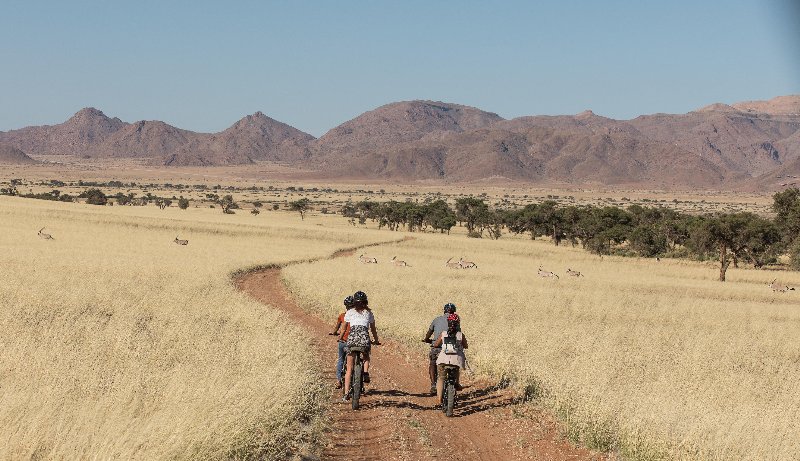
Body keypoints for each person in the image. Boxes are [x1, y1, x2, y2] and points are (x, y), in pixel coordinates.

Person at [340, 290, 380, 401]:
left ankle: (346, 393)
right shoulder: (369, 313)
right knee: (366, 354)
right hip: (364, 338)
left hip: (352, 338)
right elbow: (373, 330)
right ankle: (366, 372)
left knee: (349, 368)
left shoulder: (350, 312)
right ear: (365, 302)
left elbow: (344, 328)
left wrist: (340, 338)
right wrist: (376, 340)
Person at [432, 313, 468, 404]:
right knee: (456, 371)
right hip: (456, 361)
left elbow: (436, 344)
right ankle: (457, 383)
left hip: (443, 360)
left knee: (441, 378)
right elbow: (466, 346)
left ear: (448, 323)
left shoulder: (443, 334)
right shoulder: (460, 335)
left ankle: (439, 399)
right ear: (458, 324)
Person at [422, 302, 457, 394]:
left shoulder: (436, 319)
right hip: (451, 348)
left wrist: (426, 339)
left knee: (433, 363)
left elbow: (429, 332)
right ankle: (454, 382)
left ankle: (433, 385)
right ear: (454, 312)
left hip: (437, 348)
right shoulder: (456, 321)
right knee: (454, 364)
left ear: (444, 310)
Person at [329, 295, 355, 389]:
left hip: (344, 341)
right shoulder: (357, 316)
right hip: (354, 342)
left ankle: (338, 381)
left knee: (341, 359)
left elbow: (337, 328)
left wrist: (334, 333)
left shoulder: (342, 316)